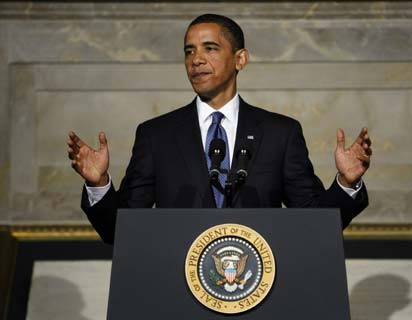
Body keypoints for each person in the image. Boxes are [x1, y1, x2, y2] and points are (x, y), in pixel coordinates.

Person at [67, 14, 371, 245]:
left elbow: (314, 224)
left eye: (210, 48)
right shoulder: (155, 135)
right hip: (177, 293)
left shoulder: (281, 133)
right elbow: (121, 231)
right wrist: (100, 184)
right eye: (189, 51)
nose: (196, 59)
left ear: (240, 59)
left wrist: (346, 182)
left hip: (259, 293)